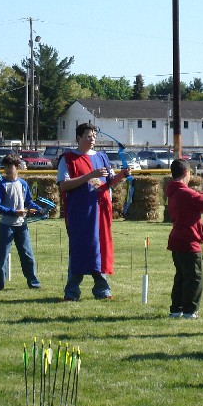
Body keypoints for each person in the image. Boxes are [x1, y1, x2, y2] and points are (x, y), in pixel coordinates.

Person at [57, 123, 131, 301]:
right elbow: (64, 185)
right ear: (78, 138)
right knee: (80, 248)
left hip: (101, 211)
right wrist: (90, 176)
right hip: (80, 212)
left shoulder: (101, 157)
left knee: (100, 248)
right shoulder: (68, 159)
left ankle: (102, 290)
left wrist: (122, 175)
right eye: (88, 137)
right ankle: (72, 291)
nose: (92, 140)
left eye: (94, 137)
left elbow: (108, 182)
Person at [165, 159, 203, 319]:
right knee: (194, 278)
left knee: (181, 276)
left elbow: (193, 202)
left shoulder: (174, 192)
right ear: (187, 173)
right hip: (189, 242)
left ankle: (176, 309)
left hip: (177, 241)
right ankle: (190, 310)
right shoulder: (185, 193)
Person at [0, 154, 42, 291]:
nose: (7, 169)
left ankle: (34, 283)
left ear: (17, 167)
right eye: (5, 167)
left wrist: (38, 209)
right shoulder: (2, 185)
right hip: (6, 226)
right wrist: (14, 212)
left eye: (9, 167)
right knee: (2, 256)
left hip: (22, 226)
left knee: (27, 255)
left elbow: (28, 202)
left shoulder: (23, 184)